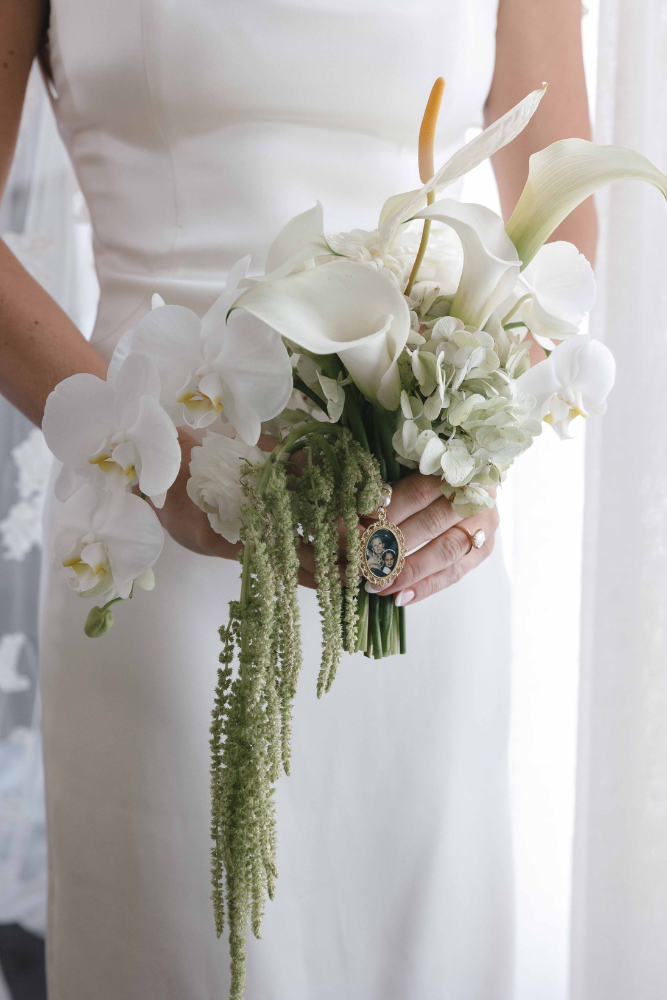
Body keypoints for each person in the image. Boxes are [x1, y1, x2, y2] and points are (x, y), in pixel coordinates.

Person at [0, 1, 596, 997]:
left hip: (413, 562)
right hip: (153, 541)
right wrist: (162, 462)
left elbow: (559, 209)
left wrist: (470, 438)